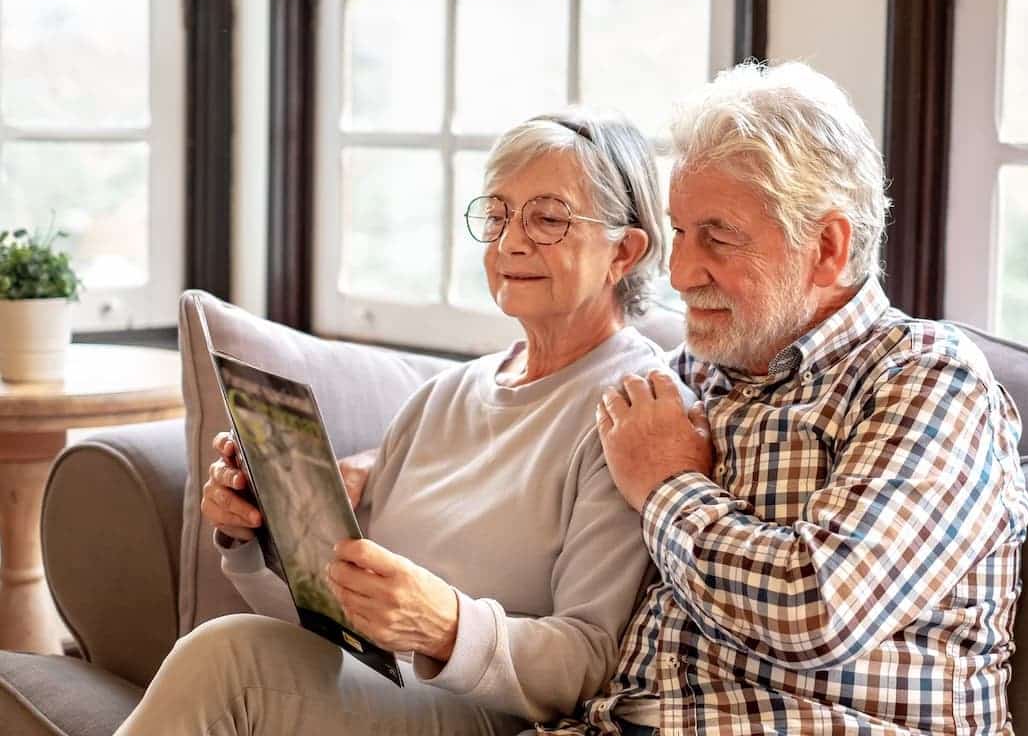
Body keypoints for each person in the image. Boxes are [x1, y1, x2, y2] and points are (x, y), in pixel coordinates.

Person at [115, 109, 698, 736]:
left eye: (548, 218)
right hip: (376, 695)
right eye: (497, 215)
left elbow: (587, 661)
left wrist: (446, 624)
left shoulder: (633, 412)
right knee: (231, 651)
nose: (510, 243)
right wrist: (257, 535)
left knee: (227, 656)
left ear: (625, 250)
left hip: (487, 716)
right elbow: (329, 622)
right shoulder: (443, 396)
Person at [544, 61, 1028, 735]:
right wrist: (387, 472)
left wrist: (667, 486)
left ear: (826, 247)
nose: (681, 274)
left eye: (717, 236)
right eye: (679, 232)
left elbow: (820, 607)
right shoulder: (692, 371)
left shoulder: (928, 381)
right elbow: (540, 469)